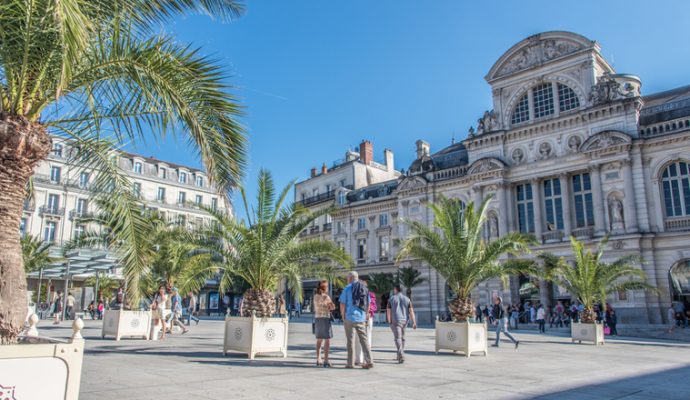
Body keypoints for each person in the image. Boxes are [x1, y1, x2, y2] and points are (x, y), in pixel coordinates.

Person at [339, 271, 373, 369]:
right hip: (361, 318)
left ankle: (350, 363)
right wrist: (366, 313)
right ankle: (369, 361)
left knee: (350, 341)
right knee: (364, 340)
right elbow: (369, 303)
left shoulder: (347, 288)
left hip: (349, 317)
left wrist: (342, 315)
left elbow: (342, 303)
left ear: (350, 278)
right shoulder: (365, 288)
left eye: (347, 278)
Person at [387, 285, 417, 363]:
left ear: (395, 289)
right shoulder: (407, 299)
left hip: (395, 320)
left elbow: (388, 311)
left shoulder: (391, 299)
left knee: (398, 338)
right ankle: (400, 354)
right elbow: (411, 311)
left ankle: (400, 354)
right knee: (402, 338)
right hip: (404, 321)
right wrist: (414, 322)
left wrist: (389, 321)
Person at [313, 280, 335, 367]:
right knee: (323, 339)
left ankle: (322, 359)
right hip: (322, 318)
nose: (326, 288)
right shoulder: (321, 296)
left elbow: (331, 307)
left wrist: (330, 305)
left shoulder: (321, 296)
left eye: (326, 287)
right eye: (325, 287)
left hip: (322, 318)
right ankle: (322, 359)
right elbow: (330, 307)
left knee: (323, 339)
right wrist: (328, 304)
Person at [355, 280, 376, 366]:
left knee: (358, 339)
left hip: (362, 318)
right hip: (367, 317)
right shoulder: (371, 294)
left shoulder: (358, 294)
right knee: (367, 338)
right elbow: (374, 307)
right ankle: (364, 359)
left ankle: (359, 359)